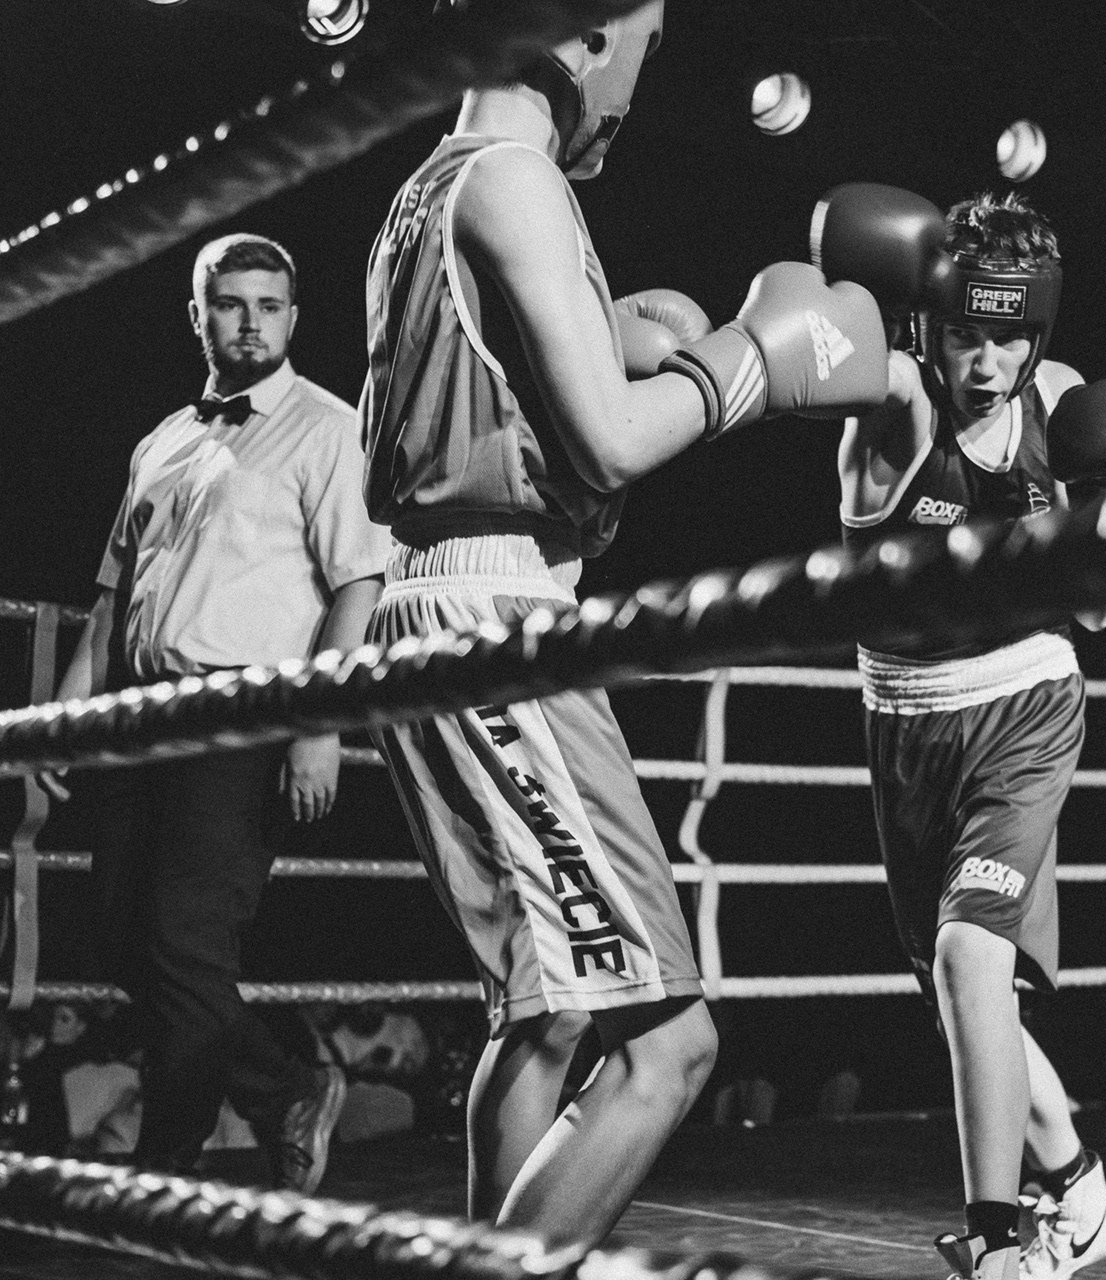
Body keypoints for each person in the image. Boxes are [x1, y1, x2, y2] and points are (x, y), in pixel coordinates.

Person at [359, 0, 888, 1254]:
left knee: (541, 1012)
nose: (638, 92)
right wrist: (745, 366)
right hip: (499, 621)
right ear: (583, 36)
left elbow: (503, 402)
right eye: (643, 48)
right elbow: (607, 443)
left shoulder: (423, 193)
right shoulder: (517, 180)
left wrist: (633, 334)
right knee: (670, 1045)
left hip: (432, 605)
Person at [819, 186, 1106, 1280]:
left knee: (972, 956)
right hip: (905, 717)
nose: (986, 363)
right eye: (966, 333)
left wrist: (1104, 512)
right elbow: (821, 352)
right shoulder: (895, 401)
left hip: (1026, 699)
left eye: (1010, 339)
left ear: (1039, 335)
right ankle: (1085, 1197)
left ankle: (1000, 1239)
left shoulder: (1063, 406)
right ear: (930, 320)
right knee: (963, 996)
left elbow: (1099, 616)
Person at [48, 232, 392, 1192]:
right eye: (231, 304)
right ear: (197, 315)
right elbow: (113, 596)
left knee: (184, 945)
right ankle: (285, 1089)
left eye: (268, 306)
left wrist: (320, 723)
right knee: (119, 939)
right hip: (137, 716)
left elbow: (358, 585)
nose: (250, 324)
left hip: (242, 715)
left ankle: (165, 1173)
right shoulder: (162, 441)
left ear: (293, 318)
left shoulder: (328, 429)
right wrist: (64, 714)